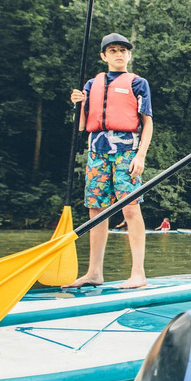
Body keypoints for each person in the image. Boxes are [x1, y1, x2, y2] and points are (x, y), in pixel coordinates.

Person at [69, 32, 153, 289]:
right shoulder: (90, 85)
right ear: (103, 56)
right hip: (97, 152)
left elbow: (148, 123)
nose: (119, 54)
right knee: (95, 210)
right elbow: (81, 125)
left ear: (129, 55)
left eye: (123, 50)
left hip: (126, 152)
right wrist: (77, 104)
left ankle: (138, 273)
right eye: (113, 50)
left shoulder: (138, 83)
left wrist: (141, 155)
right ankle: (94, 272)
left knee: (130, 208)